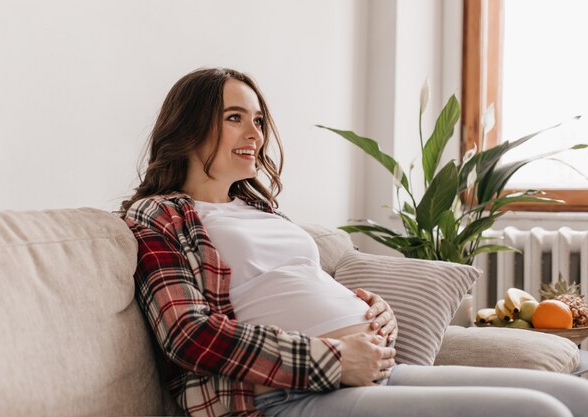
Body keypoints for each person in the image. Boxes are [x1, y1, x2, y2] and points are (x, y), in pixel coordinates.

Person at [121, 67, 588, 417]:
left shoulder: (259, 210)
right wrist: (334, 358)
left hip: (369, 373)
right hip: (286, 395)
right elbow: (188, 334)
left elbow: (293, 288)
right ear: (188, 129)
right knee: (540, 413)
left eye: (259, 119)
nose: (255, 134)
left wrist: (371, 307)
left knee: (576, 396)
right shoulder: (161, 214)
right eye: (234, 117)